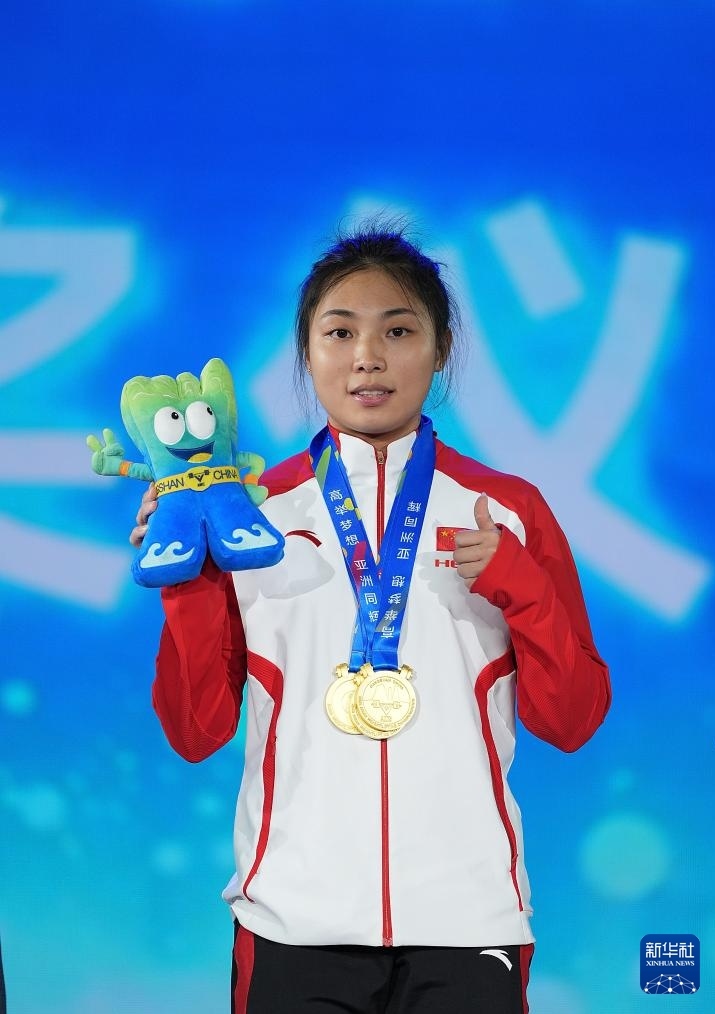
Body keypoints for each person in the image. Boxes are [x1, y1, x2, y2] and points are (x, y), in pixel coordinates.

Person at [131, 226, 611, 1013]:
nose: (367, 358)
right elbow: (194, 730)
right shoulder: (254, 518)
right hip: (292, 923)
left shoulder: (508, 512)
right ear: (306, 351)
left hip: (468, 922)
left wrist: (520, 586)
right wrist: (187, 582)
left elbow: (573, 718)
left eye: (397, 331)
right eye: (339, 333)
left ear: (441, 347)